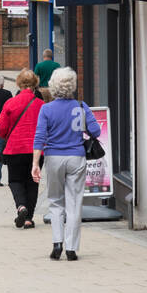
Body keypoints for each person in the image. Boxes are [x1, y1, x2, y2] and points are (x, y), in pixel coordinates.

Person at [31, 67, 100, 262]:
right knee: (74, 202)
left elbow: (40, 137)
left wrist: (35, 163)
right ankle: (71, 248)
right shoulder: (80, 106)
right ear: (72, 86)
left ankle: (57, 243)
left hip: (53, 158)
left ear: (53, 86)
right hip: (76, 157)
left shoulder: (46, 109)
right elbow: (94, 130)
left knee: (55, 201)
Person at [0, 69, 44, 230]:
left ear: (18, 83)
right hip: (36, 151)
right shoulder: (41, 105)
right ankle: (29, 218)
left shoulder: (10, 103)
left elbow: (1, 130)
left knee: (15, 181)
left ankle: (21, 207)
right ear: (35, 84)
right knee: (33, 183)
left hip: (15, 149)